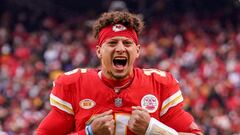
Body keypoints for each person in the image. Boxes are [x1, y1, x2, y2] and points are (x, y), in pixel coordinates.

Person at [36, 11, 203, 135]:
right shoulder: (74, 84)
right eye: (113, 43)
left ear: (137, 51)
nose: (120, 48)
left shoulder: (159, 85)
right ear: (99, 51)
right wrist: (88, 133)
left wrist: (153, 129)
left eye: (127, 43)